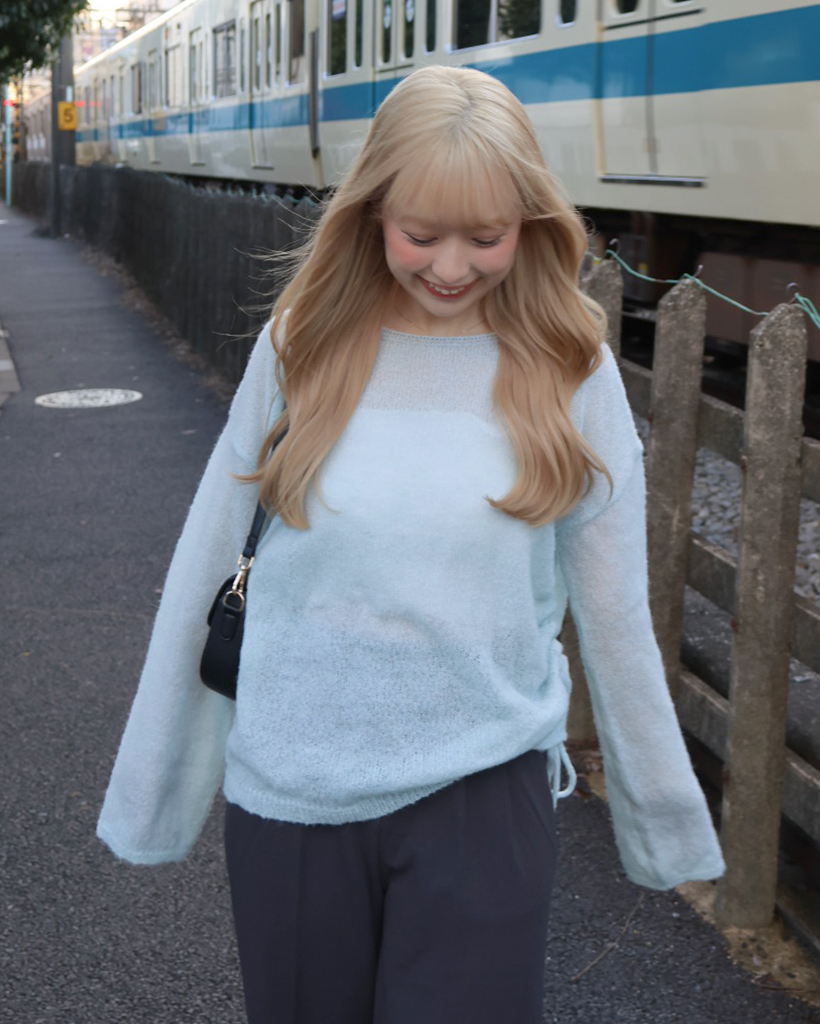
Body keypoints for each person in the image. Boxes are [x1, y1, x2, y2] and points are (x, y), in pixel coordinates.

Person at [97, 65, 725, 1024]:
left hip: (483, 794)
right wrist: (155, 791)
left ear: (531, 223)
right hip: (293, 791)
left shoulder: (569, 368)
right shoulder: (304, 343)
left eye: (487, 237)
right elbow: (209, 560)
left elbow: (614, 611)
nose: (451, 267)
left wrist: (662, 818)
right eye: (421, 235)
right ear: (372, 211)